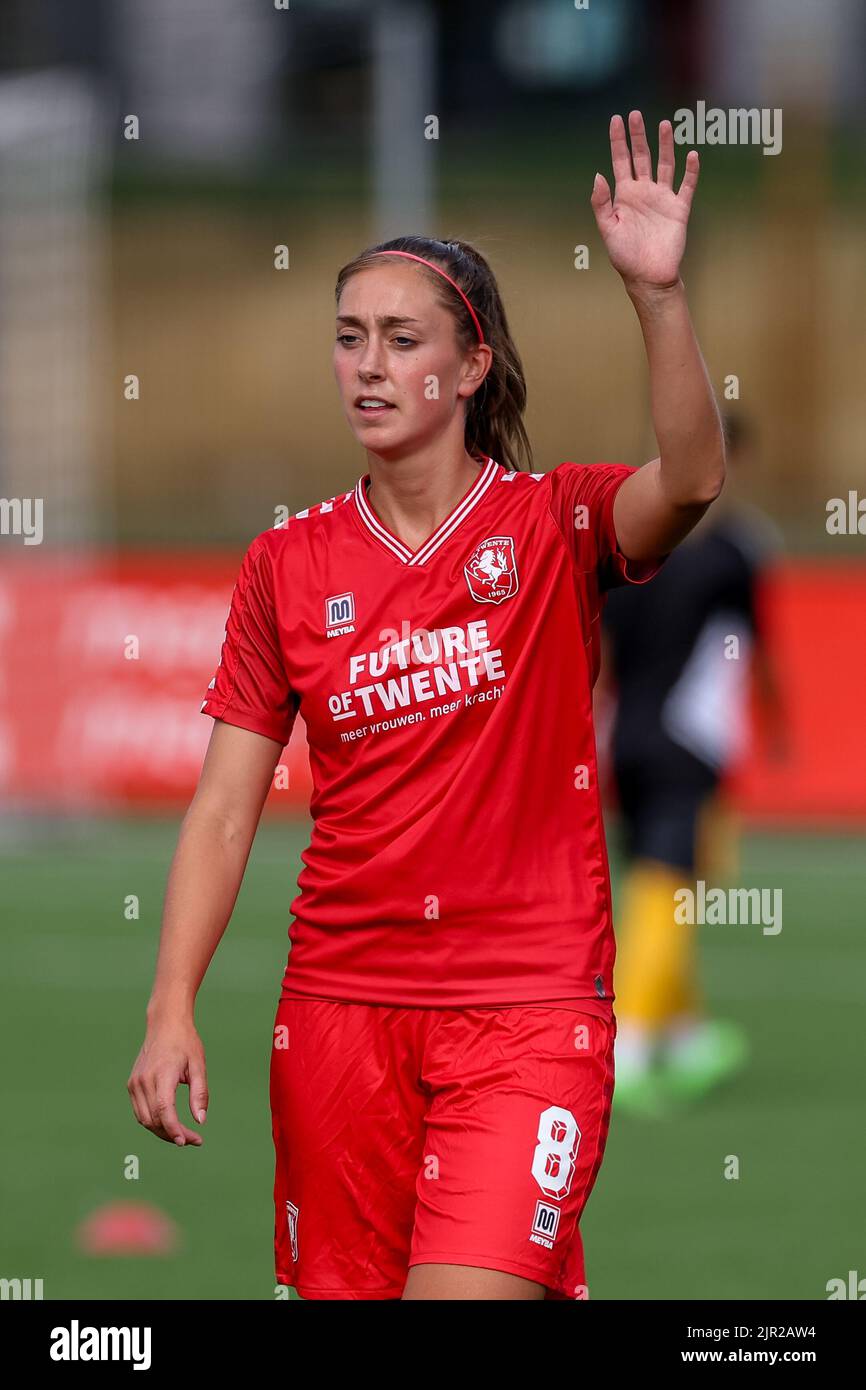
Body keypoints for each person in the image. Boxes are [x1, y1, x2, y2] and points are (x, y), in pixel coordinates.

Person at [127, 112, 724, 1301]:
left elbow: (693, 479)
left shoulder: (549, 525)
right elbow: (223, 813)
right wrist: (169, 1003)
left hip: (528, 1009)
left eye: (402, 340)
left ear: (469, 366)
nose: (368, 364)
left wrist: (656, 296)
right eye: (349, 337)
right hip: (339, 1014)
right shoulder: (285, 565)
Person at [601, 413, 785, 1117]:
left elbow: (602, 657)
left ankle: (682, 1030)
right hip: (689, 741)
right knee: (670, 886)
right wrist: (777, 723)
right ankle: (631, 1038)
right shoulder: (735, 550)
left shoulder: (630, 542)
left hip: (630, 741)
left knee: (666, 881)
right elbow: (757, 646)